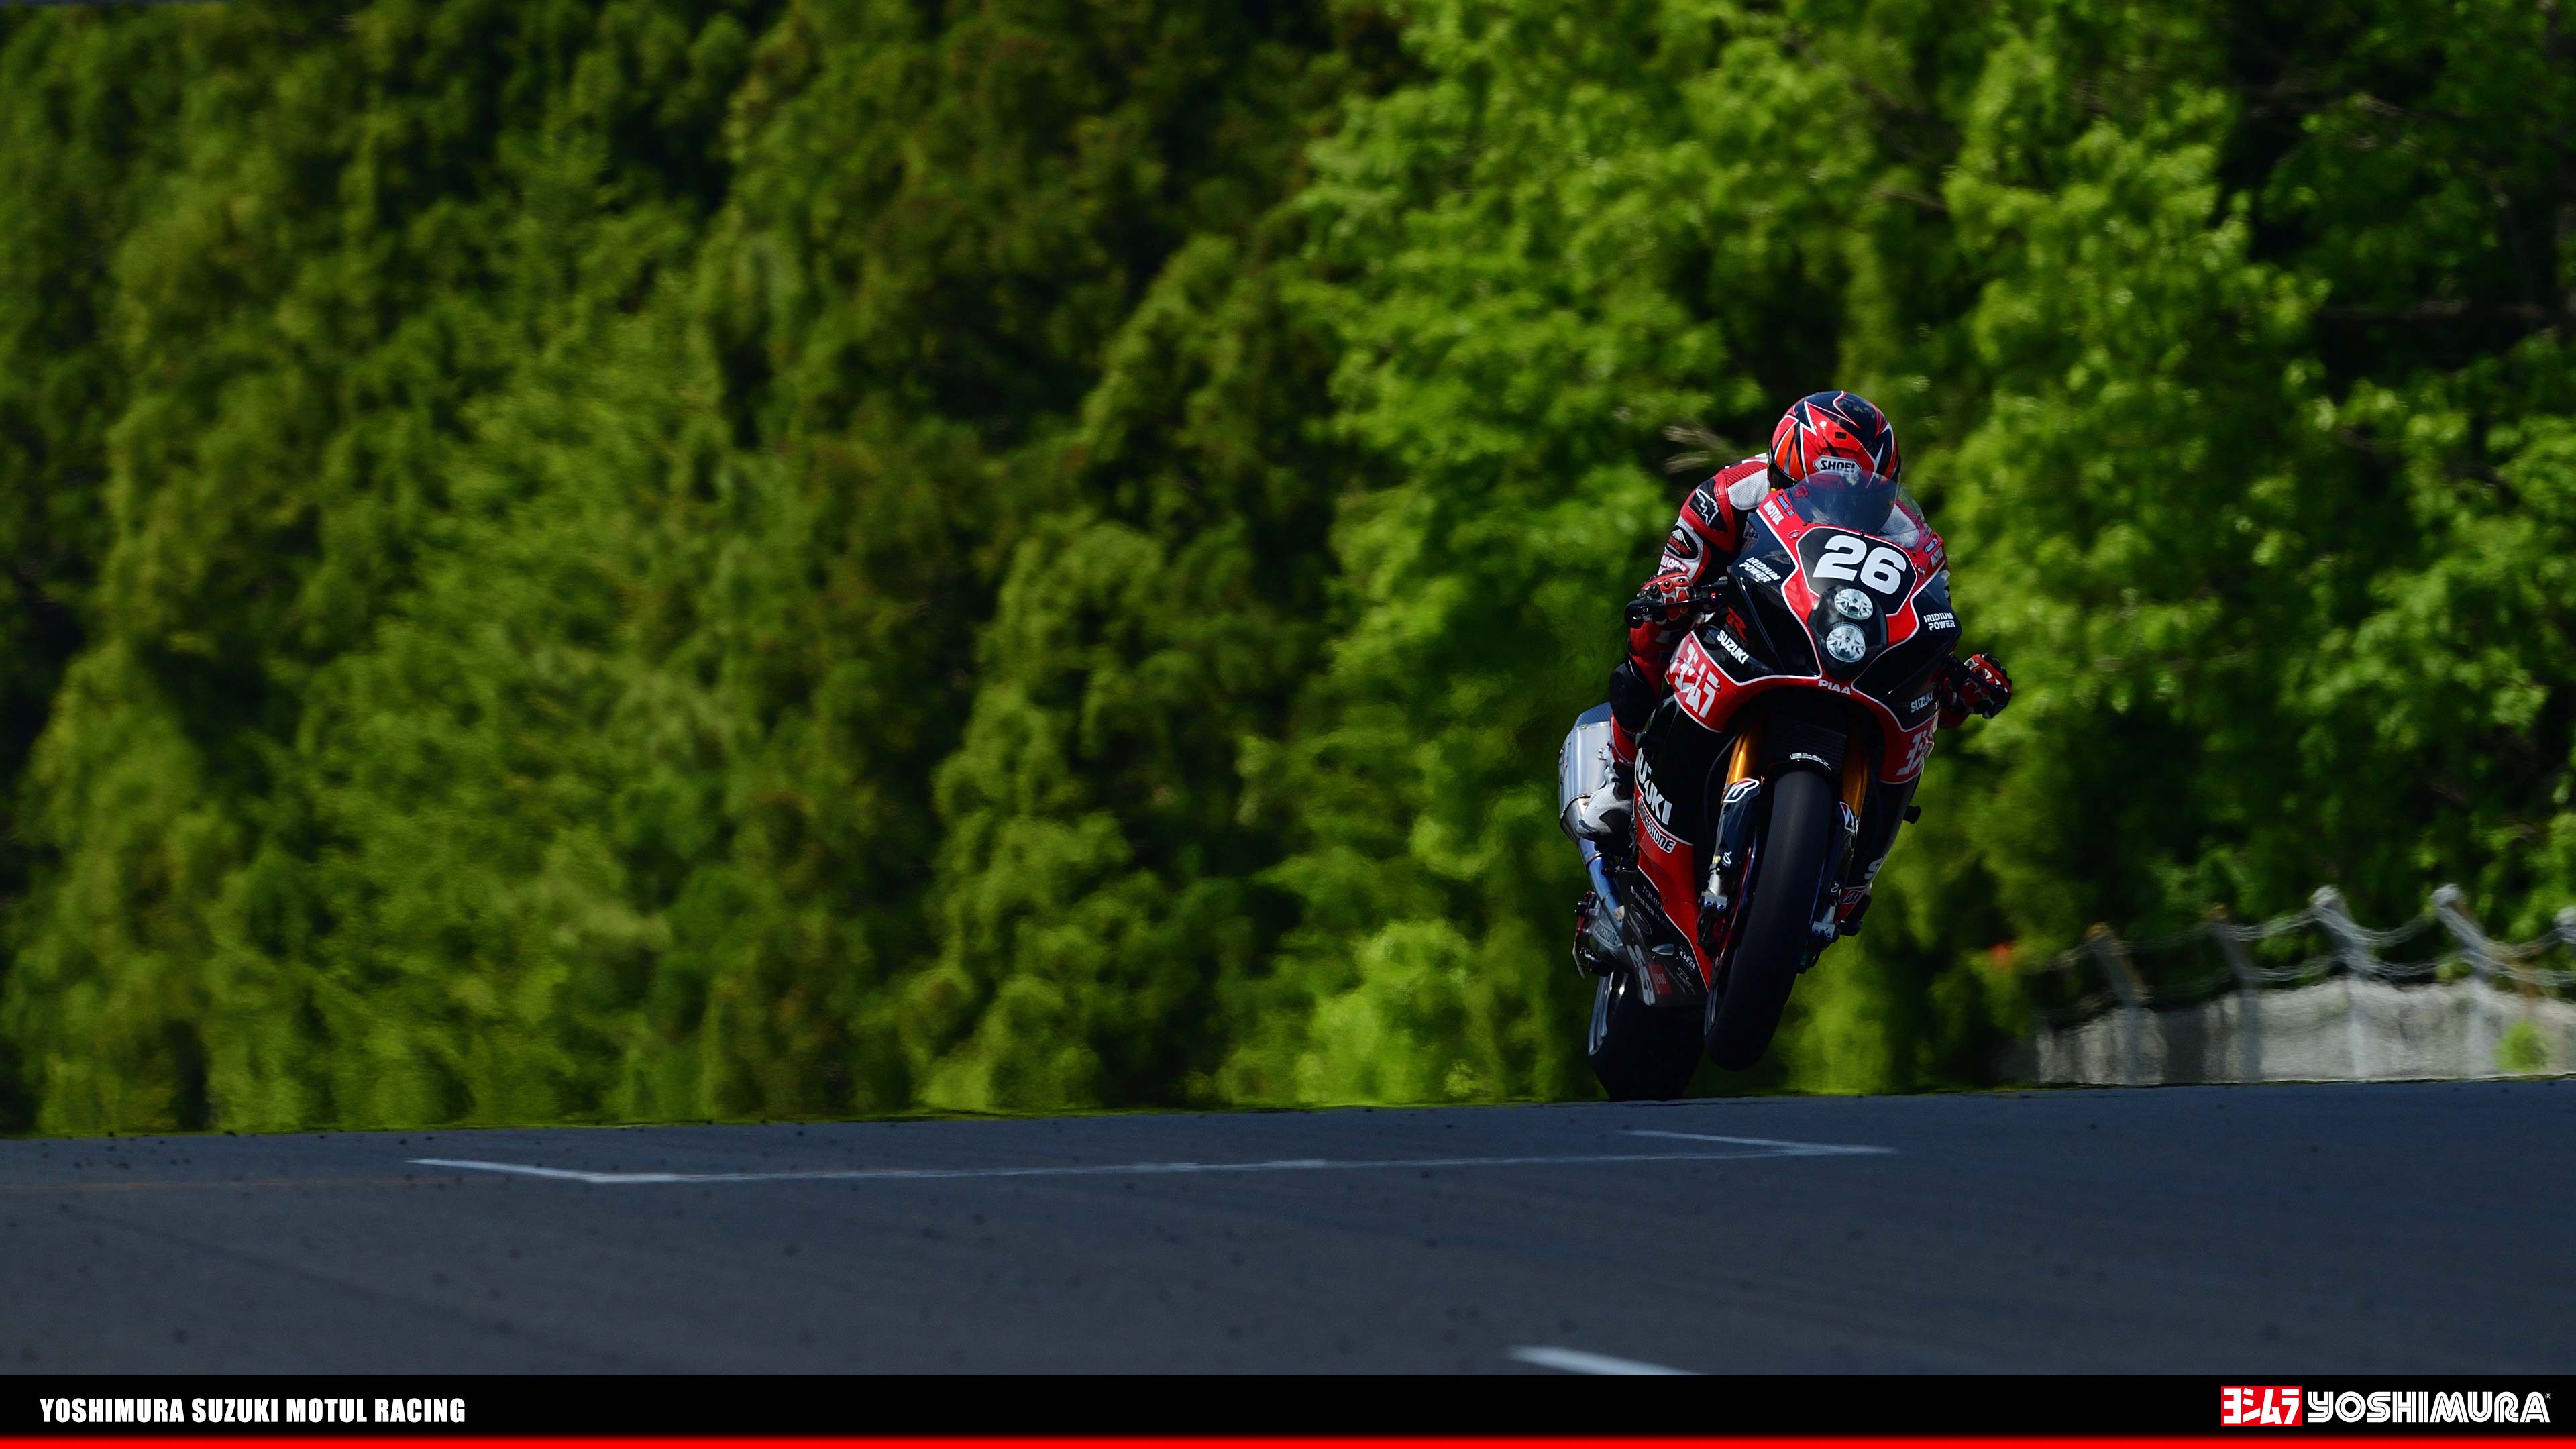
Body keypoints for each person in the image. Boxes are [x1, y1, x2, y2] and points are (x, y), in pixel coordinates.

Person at [1570, 390, 2013, 936]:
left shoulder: (1914, 539)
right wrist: (1673, 589)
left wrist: (1952, 677)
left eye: (1867, 493)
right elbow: (1677, 568)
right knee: (1651, 626)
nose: (1846, 505)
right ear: (1787, 471)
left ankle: (1853, 876)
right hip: (1747, 627)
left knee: (1920, 713)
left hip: (1841, 654)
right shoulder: (1730, 495)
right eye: (1828, 487)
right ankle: (1620, 774)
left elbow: (1921, 618)